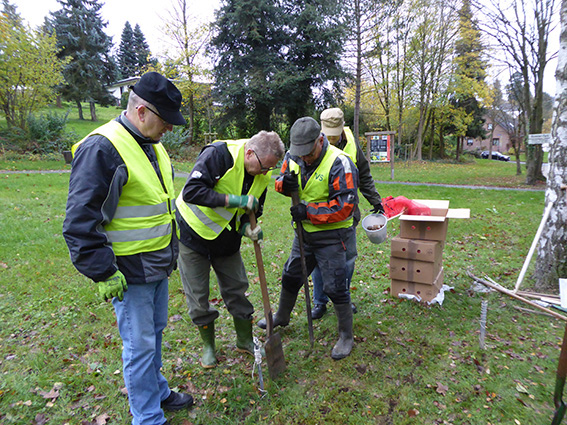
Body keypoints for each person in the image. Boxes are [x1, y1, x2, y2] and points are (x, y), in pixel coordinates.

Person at [63, 72, 193, 425]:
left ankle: (158, 391)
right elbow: (79, 220)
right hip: (129, 271)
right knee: (139, 345)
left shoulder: (151, 144)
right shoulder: (102, 148)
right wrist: (102, 270)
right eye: (165, 121)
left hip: (158, 262)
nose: (169, 129)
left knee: (155, 333)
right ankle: (147, 417)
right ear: (141, 112)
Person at [176, 131, 285, 368]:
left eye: (270, 169)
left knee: (237, 288)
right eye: (264, 167)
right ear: (249, 153)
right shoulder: (219, 155)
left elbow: (254, 210)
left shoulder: (262, 175)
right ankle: (208, 347)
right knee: (198, 295)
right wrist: (234, 200)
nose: (266, 173)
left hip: (226, 240)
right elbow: (192, 191)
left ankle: (244, 339)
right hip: (193, 235)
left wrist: (248, 228)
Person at [258, 117, 359, 360]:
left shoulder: (340, 163)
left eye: (308, 153)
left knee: (334, 286)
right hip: (303, 235)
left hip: (333, 237)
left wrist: (309, 212)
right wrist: (285, 184)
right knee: (292, 276)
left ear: (320, 140)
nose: (304, 158)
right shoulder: (294, 155)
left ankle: (346, 335)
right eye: (300, 153)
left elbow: (345, 207)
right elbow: (280, 182)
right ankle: (282, 316)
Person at [310, 108, 384, 320]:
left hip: (347, 215)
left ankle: (342, 299)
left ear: (342, 128)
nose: (331, 138)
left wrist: (375, 200)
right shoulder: (313, 144)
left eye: (335, 133)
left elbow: (365, 175)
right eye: (327, 133)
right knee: (320, 260)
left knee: (348, 259)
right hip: (320, 215)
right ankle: (320, 301)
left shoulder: (351, 143)